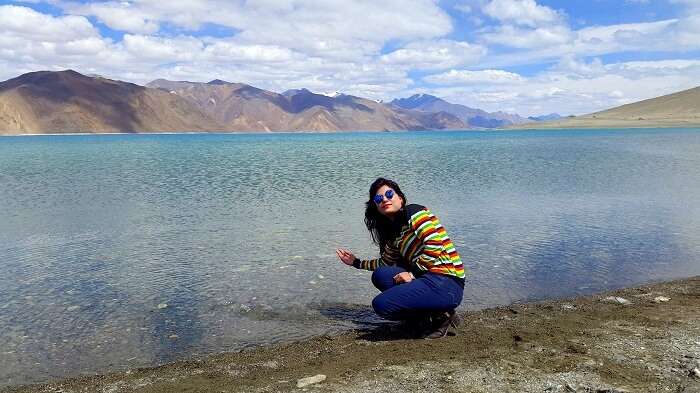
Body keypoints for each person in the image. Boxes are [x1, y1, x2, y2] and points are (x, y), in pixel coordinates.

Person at [336, 177, 466, 339]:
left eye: (389, 194)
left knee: (381, 305)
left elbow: (434, 244)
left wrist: (412, 274)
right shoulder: (394, 234)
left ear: (400, 198)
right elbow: (385, 263)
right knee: (381, 275)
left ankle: (442, 318)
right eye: (378, 198)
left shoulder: (414, 212)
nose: (384, 199)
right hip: (428, 278)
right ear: (376, 206)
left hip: (447, 281)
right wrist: (356, 262)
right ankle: (425, 318)